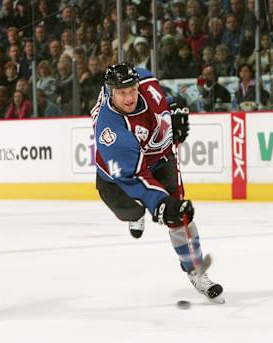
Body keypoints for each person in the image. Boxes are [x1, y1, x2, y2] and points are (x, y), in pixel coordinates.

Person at [91, 63, 224, 302]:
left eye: (131, 89)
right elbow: (134, 179)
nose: (129, 97)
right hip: (118, 178)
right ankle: (134, 215)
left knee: (180, 216)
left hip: (161, 158)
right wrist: (159, 205)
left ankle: (195, 270)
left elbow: (158, 91)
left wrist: (173, 107)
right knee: (132, 209)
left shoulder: (146, 80)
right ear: (110, 92)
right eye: (121, 93)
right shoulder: (111, 131)